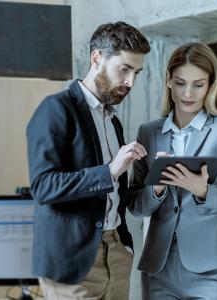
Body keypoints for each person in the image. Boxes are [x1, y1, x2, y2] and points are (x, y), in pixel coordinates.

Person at [26, 22, 150, 300]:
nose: (131, 81)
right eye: (124, 69)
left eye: (137, 73)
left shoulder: (113, 121)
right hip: (73, 263)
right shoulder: (55, 109)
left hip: (116, 254)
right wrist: (109, 172)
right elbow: (43, 187)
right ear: (97, 59)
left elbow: (116, 194)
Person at [128, 42, 217, 299]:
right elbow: (136, 207)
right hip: (158, 268)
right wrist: (157, 188)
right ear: (169, 80)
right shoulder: (148, 132)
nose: (188, 93)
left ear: (210, 85)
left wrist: (203, 190)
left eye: (198, 84)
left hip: (211, 268)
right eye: (181, 82)